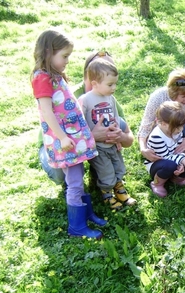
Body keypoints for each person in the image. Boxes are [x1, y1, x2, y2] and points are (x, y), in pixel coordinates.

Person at [31, 29, 105, 239]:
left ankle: (87, 213)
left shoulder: (53, 76)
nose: (67, 61)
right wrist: (63, 137)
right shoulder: (42, 78)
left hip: (73, 138)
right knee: (74, 182)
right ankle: (77, 226)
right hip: (64, 140)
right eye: (64, 56)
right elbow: (46, 111)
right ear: (48, 52)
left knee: (77, 176)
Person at [37, 51, 134, 188]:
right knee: (60, 175)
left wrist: (120, 137)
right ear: (91, 74)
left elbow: (129, 137)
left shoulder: (108, 97)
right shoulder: (70, 96)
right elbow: (59, 134)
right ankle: (73, 180)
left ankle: (103, 174)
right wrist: (92, 136)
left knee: (120, 123)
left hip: (91, 145)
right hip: (56, 143)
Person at [79, 58, 136, 210]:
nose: (114, 87)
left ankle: (119, 189)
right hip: (98, 147)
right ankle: (107, 194)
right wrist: (89, 137)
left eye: (115, 84)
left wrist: (118, 135)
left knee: (118, 167)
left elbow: (115, 117)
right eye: (110, 84)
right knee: (105, 171)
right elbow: (80, 123)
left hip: (112, 142)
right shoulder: (85, 100)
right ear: (95, 83)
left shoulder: (110, 98)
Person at [138, 68, 185, 164]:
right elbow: (146, 125)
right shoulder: (157, 97)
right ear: (173, 92)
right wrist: (143, 148)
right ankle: (172, 161)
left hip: (178, 131)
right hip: (161, 136)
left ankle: (184, 157)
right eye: (183, 97)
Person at [144, 101, 185, 197]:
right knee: (170, 165)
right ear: (163, 123)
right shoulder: (157, 137)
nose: (181, 129)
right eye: (177, 127)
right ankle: (157, 183)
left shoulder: (176, 131)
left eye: (182, 126)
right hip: (159, 164)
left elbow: (179, 149)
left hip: (173, 158)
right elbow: (164, 157)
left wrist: (181, 163)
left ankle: (176, 179)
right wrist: (182, 160)